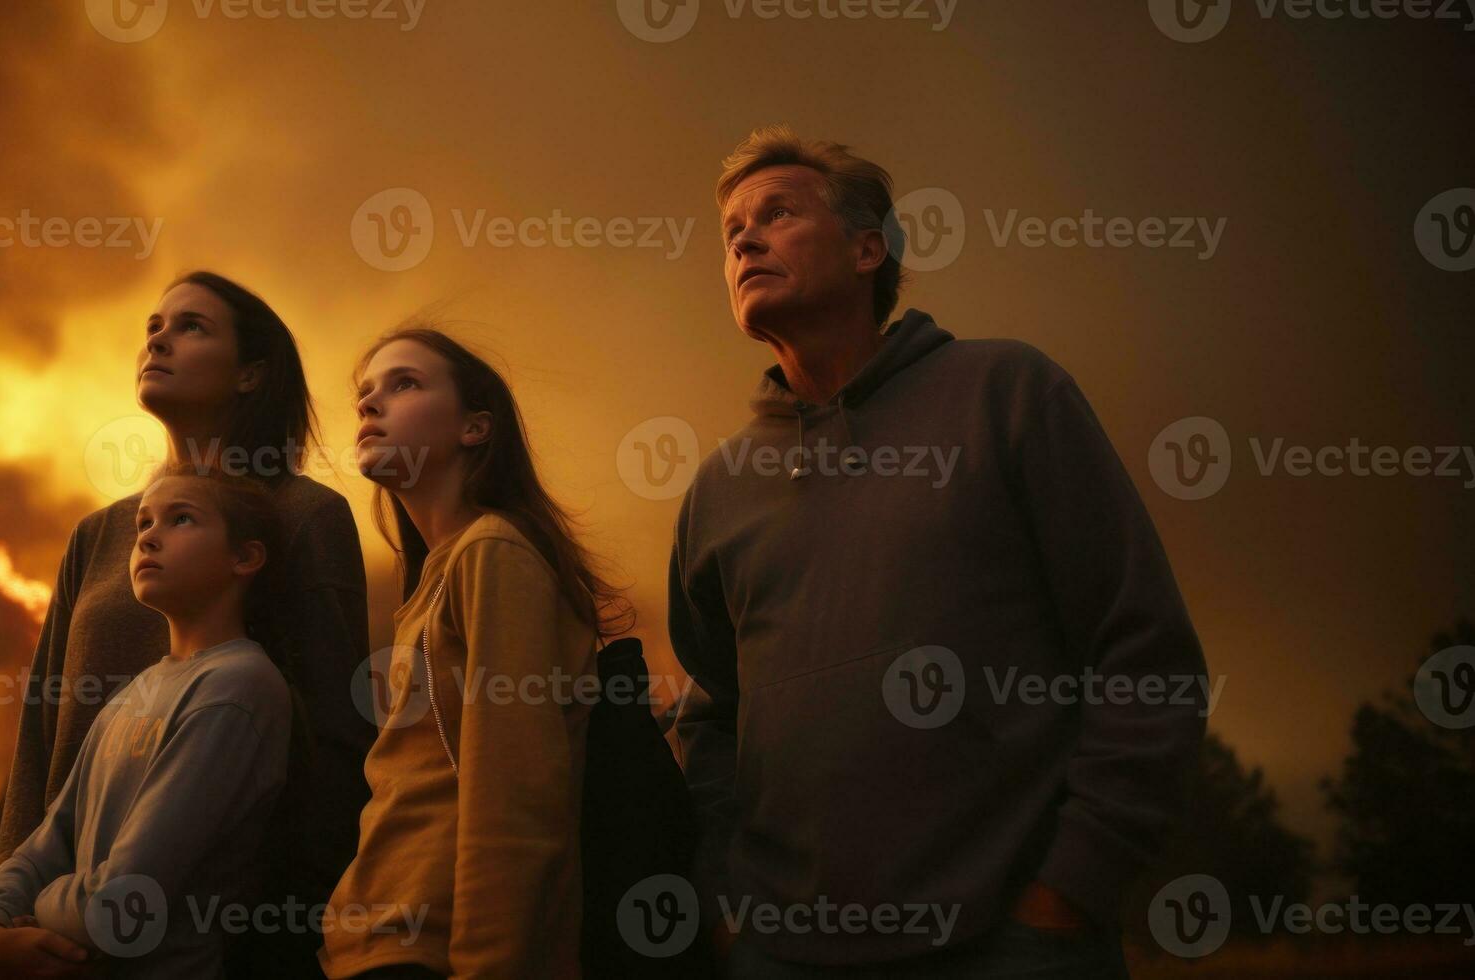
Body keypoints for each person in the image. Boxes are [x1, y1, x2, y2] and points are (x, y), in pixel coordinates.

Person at [669, 125, 1209, 978]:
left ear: (866, 249)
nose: (742, 237)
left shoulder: (1007, 393)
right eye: (731, 228)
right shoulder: (717, 489)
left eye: (776, 213)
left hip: (1009, 943)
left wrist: (1068, 890)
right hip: (784, 957)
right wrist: (727, 911)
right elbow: (710, 720)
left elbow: (1142, 651)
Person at [0, 271, 373, 976]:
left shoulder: (304, 516)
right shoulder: (101, 534)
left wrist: (284, 943)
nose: (159, 338)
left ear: (252, 374)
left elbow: (335, 750)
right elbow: (41, 738)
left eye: (192, 326)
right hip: (49, 944)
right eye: (152, 327)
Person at [317, 324, 632, 979]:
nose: (370, 404)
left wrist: (492, 967)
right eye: (365, 394)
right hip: (374, 947)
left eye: (404, 384)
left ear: (475, 428)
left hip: (432, 953)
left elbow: (514, 792)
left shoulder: (492, 552)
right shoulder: (434, 581)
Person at [0, 466, 295, 977]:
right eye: (143, 524)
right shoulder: (128, 697)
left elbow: (123, 900)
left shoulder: (237, 689)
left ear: (244, 557)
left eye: (181, 519)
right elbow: (44, 844)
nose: (149, 536)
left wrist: (35, 911)